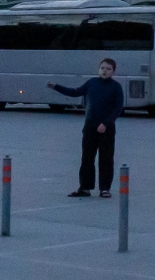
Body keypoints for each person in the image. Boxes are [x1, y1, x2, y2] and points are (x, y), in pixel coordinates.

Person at [49, 57, 126, 196]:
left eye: (108, 69)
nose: (105, 71)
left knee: (106, 159)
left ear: (113, 72)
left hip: (106, 129)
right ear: (98, 69)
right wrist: (56, 86)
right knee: (87, 158)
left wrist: (106, 123)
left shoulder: (116, 87)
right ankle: (85, 188)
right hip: (90, 126)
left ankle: (104, 189)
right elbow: (75, 92)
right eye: (102, 68)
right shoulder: (92, 83)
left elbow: (117, 108)